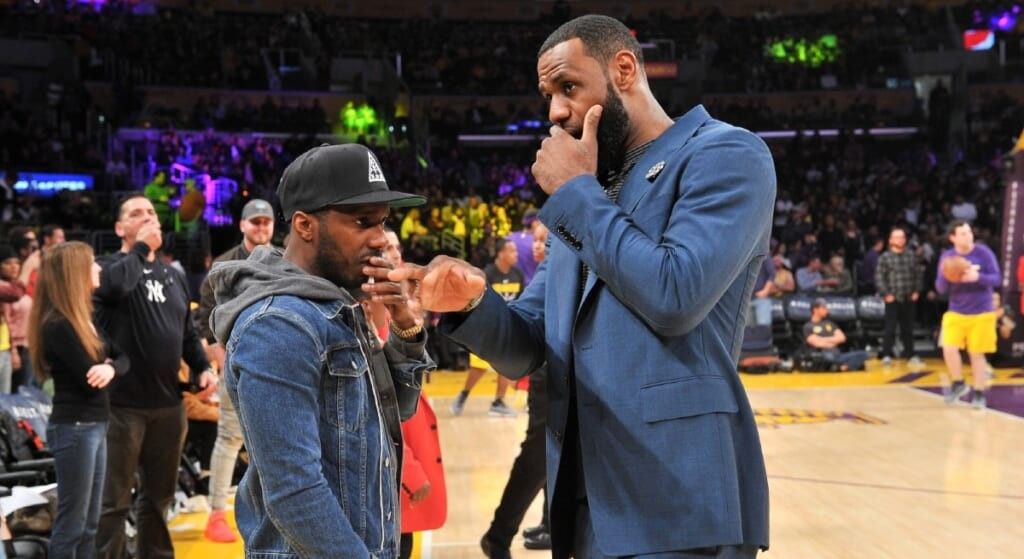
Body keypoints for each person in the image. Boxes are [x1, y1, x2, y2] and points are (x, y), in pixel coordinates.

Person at [392, 15, 772, 558]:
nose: (555, 111)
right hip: (587, 505)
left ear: (623, 69)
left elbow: (676, 294)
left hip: (682, 501)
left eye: (568, 87)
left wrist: (577, 191)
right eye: (548, 94)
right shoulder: (593, 192)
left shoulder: (725, 155)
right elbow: (525, 345)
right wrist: (472, 302)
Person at [206, 143, 434, 557]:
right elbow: (295, 494)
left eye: (382, 223)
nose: (380, 239)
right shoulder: (277, 325)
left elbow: (394, 411)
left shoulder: (335, 304)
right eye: (363, 222)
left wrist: (404, 324)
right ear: (305, 225)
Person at [94, 194, 218, 559]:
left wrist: (203, 368)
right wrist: (141, 249)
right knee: (114, 501)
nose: (148, 217)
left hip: (168, 404)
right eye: (136, 213)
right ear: (120, 228)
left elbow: (185, 334)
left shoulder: (173, 275)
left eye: (151, 212)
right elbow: (116, 287)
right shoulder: (108, 267)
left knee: (158, 499)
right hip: (121, 405)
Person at [28, 241, 128, 559]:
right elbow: (90, 383)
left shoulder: (85, 319)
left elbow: (123, 358)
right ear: (75, 273)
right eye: (92, 264)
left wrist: (109, 368)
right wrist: (109, 369)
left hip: (94, 425)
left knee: (89, 525)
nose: (99, 268)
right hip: (75, 428)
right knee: (72, 525)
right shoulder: (58, 326)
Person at [195, 198, 276, 543]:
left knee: (276, 438)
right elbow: (208, 320)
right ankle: (216, 513)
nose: (260, 227)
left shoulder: (286, 260)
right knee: (230, 438)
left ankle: (275, 512)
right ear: (242, 225)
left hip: (277, 361)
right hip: (236, 361)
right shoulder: (224, 264)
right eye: (254, 222)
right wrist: (222, 359)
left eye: (266, 222)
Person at [481, 222, 552, 559]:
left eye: (543, 239)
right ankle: (498, 535)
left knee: (571, 453)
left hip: (582, 364)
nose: (537, 245)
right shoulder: (538, 265)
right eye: (536, 239)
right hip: (550, 364)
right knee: (539, 455)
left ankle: (553, 523)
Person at [450, 238, 524, 418]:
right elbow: (476, 302)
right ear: (501, 254)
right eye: (512, 251)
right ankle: (464, 394)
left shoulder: (518, 274)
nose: (516, 254)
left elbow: (521, 300)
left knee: (507, 364)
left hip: (508, 327)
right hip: (486, 327)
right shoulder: (487, 275)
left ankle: (498, 402)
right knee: (479, 366)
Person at [936, 220, 1001, 410]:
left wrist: (977, 278)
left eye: (969, 232)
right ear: (953, 238)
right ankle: (958, 383)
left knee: (976, 353)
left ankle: (979, 393)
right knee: (948, 348)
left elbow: (997, 279)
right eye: (963, 233)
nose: (968, 235)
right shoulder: (948, 257)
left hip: (982, 311)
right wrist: (947, 276)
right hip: (956, 311)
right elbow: (940, 288)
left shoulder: (983, 253)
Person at [875, 226, 923, 368]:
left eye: (902, 237)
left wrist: (917, 291)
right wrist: (886, 293)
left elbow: (918, 275)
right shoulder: (884, 257)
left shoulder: (911, 255)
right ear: (890, 240)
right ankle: (887, 354)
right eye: (896, 237)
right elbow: (879, 277)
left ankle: (910, 354)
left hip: (909, 297)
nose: (900, 239)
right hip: (892, 297)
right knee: (890, 328)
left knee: (908, 328)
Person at [801, 298, 869, 371]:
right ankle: (843, 366)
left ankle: (841, 367)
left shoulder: (829, 323)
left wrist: (822, 339)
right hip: (823, 354)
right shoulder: (808, 326)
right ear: (815, 310)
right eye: (823, 308)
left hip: (837, 354)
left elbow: (842, 338)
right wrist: (833, 341)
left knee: (864, 354)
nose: (826, 310)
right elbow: (816, 343)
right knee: (826, 357)